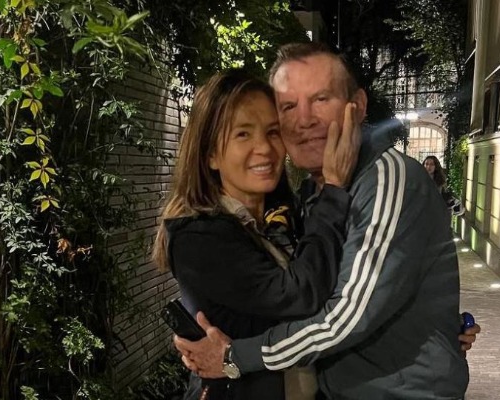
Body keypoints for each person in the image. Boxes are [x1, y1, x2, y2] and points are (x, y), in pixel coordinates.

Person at [175, 43, 480, 400]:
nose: (304, 119)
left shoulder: (386, 180)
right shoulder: (309, 197)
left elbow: (346, 316)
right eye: (288, 106)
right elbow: (310, 294)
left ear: (358, 106)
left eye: (320, 99)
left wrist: (234, 357)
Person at [153, 69, 361, 399]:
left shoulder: (279, 217)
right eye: (243, 134)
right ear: (210, 154)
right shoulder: (198, 236)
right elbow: (301, 296)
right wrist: (334, 189)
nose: (264, 147)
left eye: (272, 131)